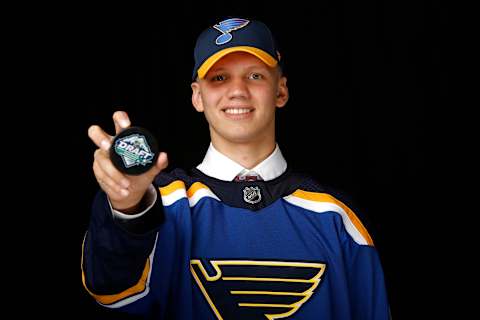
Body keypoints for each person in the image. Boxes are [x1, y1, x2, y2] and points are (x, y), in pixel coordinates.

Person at [82, 17, 391, 319]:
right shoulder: (161, 203)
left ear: (280, 91)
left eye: (255, 76)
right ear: (197, 96)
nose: (238, 91)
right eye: (219, 78)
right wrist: (126, 206)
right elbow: (110, 288)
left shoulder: (337, 218)